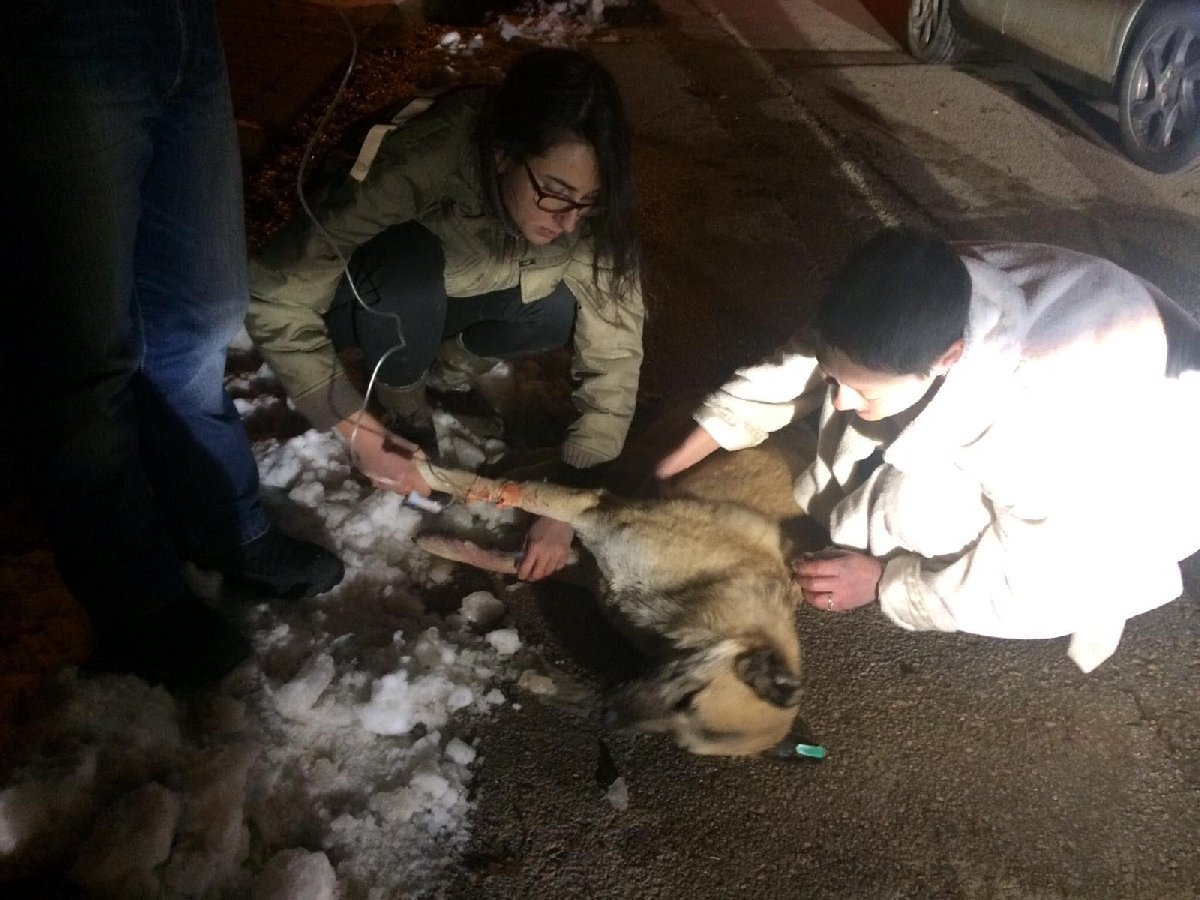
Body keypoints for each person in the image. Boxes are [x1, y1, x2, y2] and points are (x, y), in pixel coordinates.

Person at [657, 229, 1200, 672]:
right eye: (836, 379)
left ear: (949, 357)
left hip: (1153, 477)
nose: (840, 401)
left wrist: (888, 584)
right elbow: (804, 359)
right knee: (859, 412)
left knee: (922, 511)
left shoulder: (1040, 427)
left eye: (863, 390)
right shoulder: (913, 287)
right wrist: (686, 451)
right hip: (1092, 344)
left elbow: (1044, 581)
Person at [0, 0, 345, 689]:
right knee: (82, 349)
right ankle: (134, 594)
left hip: (184, 23)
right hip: (52, 26)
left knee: (202, 315)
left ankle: (221, 525)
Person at [246, 48, 645, 582]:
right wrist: (360, 433)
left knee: (557, 310)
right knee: (407, 273)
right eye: (555, 194)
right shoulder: (421, 161)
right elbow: (275, 293)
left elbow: (616, 353)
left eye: (589, 202)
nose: (570, 222)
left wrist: (568, 504)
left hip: (457, 297)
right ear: (503, 155)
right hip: (369, 297)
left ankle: (440, 373)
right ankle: (405, 409)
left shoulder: (580, 216)